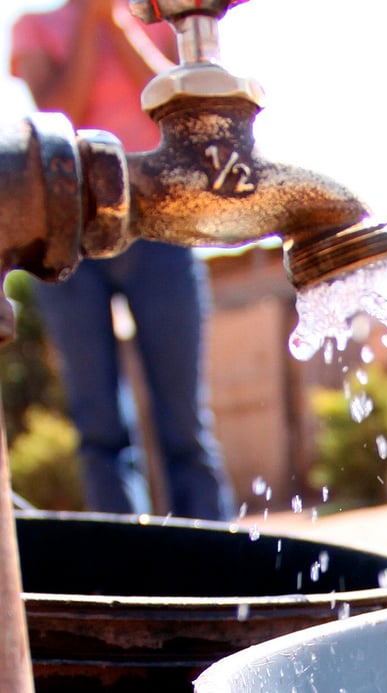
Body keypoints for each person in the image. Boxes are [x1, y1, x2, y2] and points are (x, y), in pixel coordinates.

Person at [10, 0, 236, 521]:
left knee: (185, 424)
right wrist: (92, 24)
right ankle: (127, 572)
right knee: (99, 430)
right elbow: (57, 115)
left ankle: (215, 566)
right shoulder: (35, 30)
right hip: (70, 233)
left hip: (162, 222)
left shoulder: (161, 13)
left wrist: (117, 24)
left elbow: (180, 103)